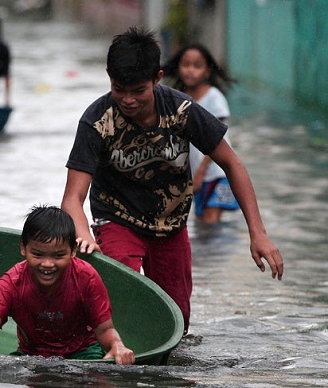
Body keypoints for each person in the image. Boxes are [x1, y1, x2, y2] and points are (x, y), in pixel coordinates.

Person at [60, 27, 283, 334]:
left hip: (171, 225)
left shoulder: (182, 111)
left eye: (138, 90)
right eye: (118, 88)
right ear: (108, 76)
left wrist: (257, 233)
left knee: (176, 321)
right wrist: (83, 233)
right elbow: (73, 197)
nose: (128, 100)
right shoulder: (97, 121)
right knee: (118, 298)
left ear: (157, 78)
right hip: (117, 220)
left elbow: (233, 164)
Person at [0, 205, 135, 365]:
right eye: (38, 254)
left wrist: (117, 346)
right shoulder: (12, 281)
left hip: (83, 353)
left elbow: (105, 330)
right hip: (31, 355)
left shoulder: (86, 277)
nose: (47, 264)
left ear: (73, 251)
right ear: (23, 248)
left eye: (58, 256)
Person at [163, 43, 239, 223]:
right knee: (202, 223)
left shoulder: (214, 97)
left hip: (216, 172)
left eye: (197, 66)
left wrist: (200, 174)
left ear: (207, 71)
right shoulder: (177, 98)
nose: (190, 70)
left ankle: (217, 252)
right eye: (186, 64)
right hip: (196, 174)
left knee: (211, 222)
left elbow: (216, 140)